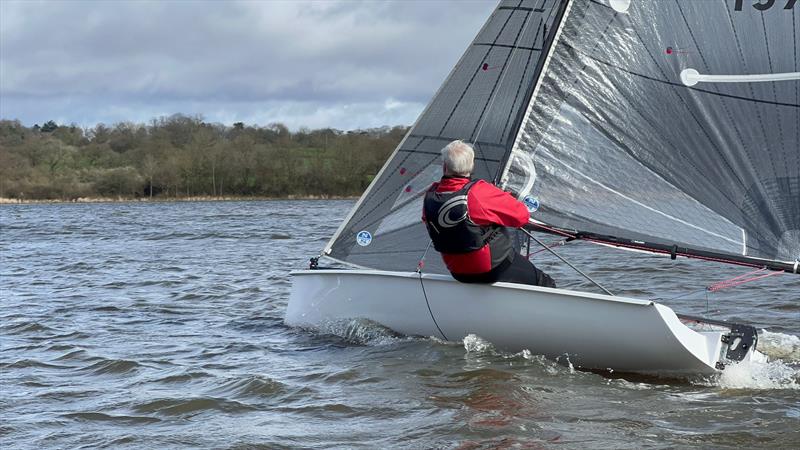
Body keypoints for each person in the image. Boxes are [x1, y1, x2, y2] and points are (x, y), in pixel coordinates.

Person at [422, 140, 556, 288]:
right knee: (546, 282)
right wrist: (501, 198)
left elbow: (430, 220)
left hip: (457, 271)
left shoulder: (431, 195)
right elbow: (522, 217)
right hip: (491, 269)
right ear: (472, 166)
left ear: (445, 166)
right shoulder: (480, 192)